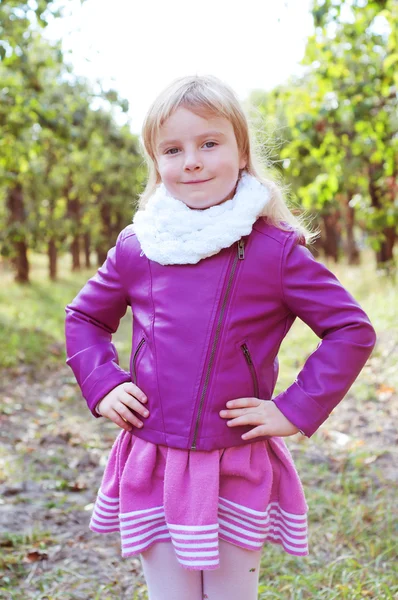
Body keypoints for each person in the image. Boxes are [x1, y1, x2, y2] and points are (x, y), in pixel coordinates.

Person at [64, 74, 377, 600]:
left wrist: (295, 408)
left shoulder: (272, 250)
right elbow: (85, 318)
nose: (192, 160)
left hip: (235, 460)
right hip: (155, 459)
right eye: (173, 149)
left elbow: (350, 329)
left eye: (209, 143)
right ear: (156, 162)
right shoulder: (138, 246)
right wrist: (102, 381)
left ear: (241, 151)